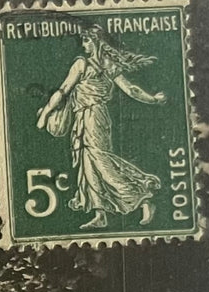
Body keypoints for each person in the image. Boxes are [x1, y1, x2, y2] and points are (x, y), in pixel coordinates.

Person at [35, 27, 167, 229]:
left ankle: (141, 197)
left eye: (87, 41)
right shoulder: (93, 64)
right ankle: (100, 214)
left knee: (100, 160)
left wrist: (153, 100)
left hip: (95, 117)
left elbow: (130, 89)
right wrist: (46, 112)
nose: (84, 45)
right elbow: (63, 91)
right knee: (88, 165)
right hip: (83, 118)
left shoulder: (93, 64)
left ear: (97, 42)